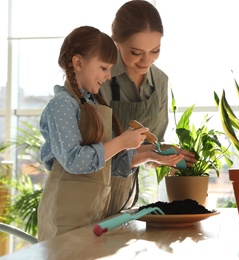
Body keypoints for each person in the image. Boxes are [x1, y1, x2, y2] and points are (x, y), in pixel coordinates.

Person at [37, 25, 182, 241]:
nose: (107, 76)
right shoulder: (62, 105)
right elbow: (74, 161)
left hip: (92, 212)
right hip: (65, 216)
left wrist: (150, 155)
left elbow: (106, 164)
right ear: (78, 63)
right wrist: (123, 142)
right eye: (104, 68)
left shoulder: (93, 104)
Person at [100, 0, 197, 169]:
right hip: (94, 182)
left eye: (155, 50)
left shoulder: (160, 81)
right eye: (136, 52)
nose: (147, 61)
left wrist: (169, 156)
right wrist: (153, 151)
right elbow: (93, 152)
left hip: (129, 188)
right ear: (116, 41)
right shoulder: (99, 77)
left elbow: (152, 158)